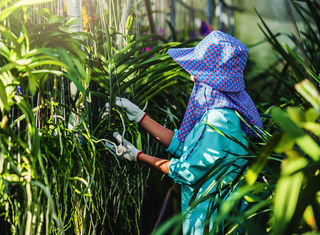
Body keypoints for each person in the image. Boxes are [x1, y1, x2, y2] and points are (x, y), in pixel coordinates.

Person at [104, 30, 263, 234]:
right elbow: (185, 145)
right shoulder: (220, 112)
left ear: (214, 78)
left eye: (199, 70)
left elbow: (188, 170)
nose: (191, 76)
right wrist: (140, 117)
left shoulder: (220, 119)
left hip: (211, 222)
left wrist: (139, 156)